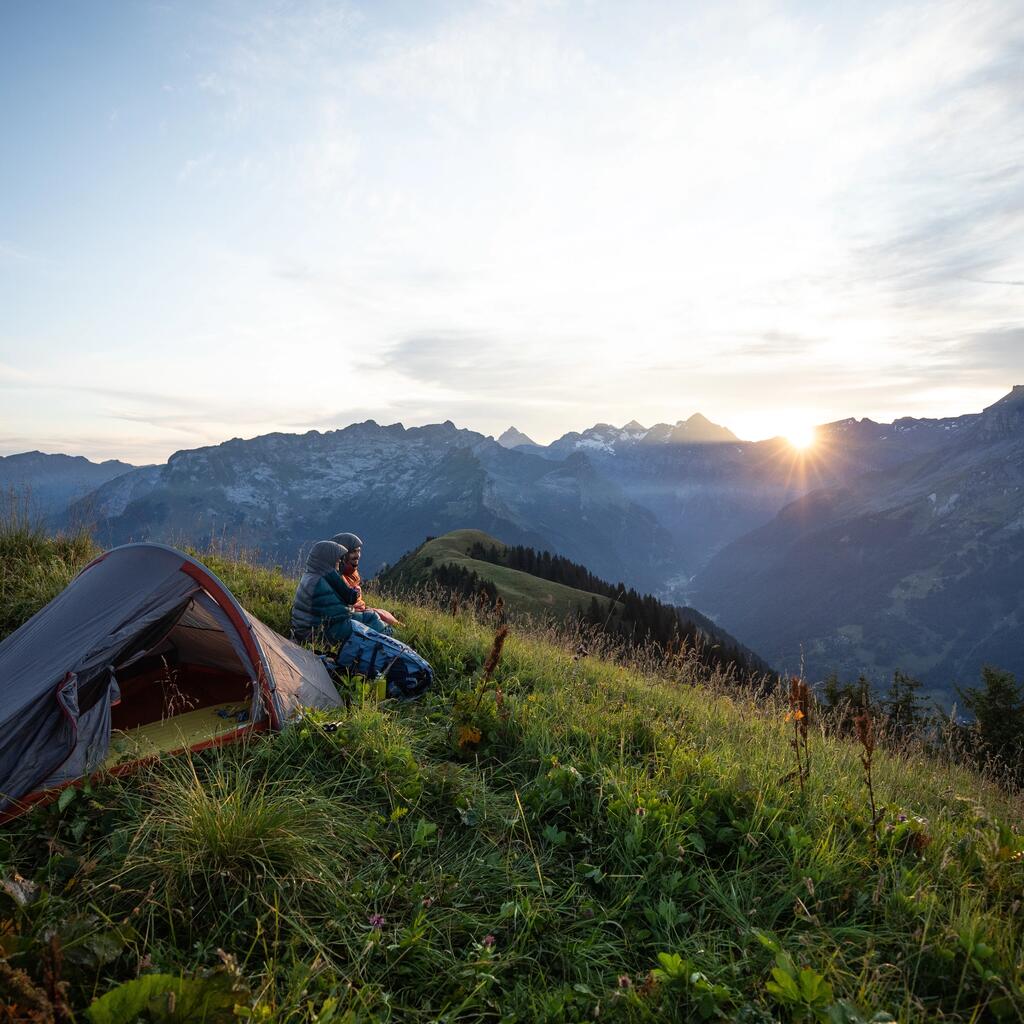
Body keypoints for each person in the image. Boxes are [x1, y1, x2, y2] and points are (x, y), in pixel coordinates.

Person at [331, 531, 401, 630]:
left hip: (360, 610)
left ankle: (404, 630)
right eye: (353, 552)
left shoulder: (352, 574)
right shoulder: (334, 576)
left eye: (358, 551)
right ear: (341, 554)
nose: (357, 555)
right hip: (350, 617)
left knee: (384, 614)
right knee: (380, 617)